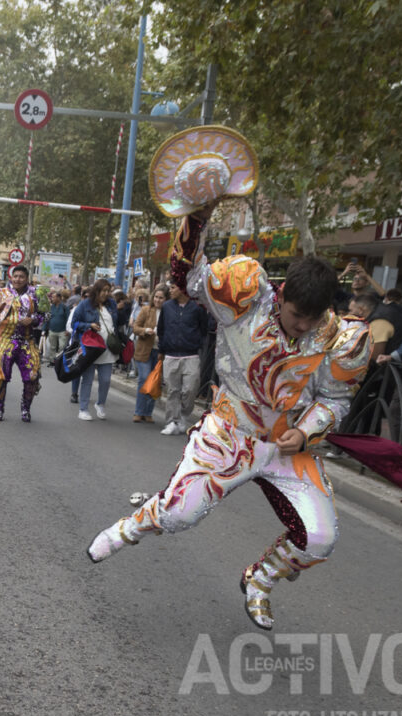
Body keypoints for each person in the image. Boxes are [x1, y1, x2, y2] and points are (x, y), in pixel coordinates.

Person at [87, 202, 371, 630]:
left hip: (285, 447)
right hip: (229, 432)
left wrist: (306, 430)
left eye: (312, 320)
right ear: (283, 296)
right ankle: (134, 524)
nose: (302, 327)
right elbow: (188, 275)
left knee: (321, 538)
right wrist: (197, 218)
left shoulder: (339, 337)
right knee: (181, 515)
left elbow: (336, 399)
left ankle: (260, 579)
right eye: (296, 316)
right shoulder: (246, 299)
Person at [0, 264, 42, 421]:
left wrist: (34, 320)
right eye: (15, 276)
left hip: (27, 341)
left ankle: (25, 409)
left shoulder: (36, 295)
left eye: (21, 277)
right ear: (11, 277)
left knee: (32, 376)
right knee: (0, 376)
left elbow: (45, 315)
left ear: (27, 279)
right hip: (5, 339)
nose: (18, 279)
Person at [156, 277, 210, 434]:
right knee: (173, 390)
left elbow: (203, 328)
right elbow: (161, 329)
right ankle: (172, 421)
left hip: (191, 355)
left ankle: (184, 416)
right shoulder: (167, 307)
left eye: (173, 287)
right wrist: (162, 348)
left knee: (190, 389)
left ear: (182, 289)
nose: (170, 291)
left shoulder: (197, 307)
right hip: (171, 355)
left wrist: (195, 342)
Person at [70, 278, 118, 421]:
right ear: (96, 291)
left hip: (107, 350)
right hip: (90, 348)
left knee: (106, 380)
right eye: (103, 290)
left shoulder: (111, 304)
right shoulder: (85, 305)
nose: (106, 294)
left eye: (108, 291)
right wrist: (89, 325)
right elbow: (74, 323)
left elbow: (116, 322)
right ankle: (83, 409)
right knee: (88, 379)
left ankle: (100, 404)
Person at [131, 286, 166, 423]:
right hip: (145, 349)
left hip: (159, 352)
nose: (158, 300)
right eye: (156, 297)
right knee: (144, 378)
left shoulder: (167, 312)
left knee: (155, 381)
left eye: (161, 297)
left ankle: (148, 412)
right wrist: (145, 330)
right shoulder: (146, 310)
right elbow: (135, 327)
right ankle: (139, 411)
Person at [43, 290, 69, 362]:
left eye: (53, 297)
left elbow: (68, 319)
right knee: (52, 347)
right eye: (52, 297)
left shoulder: (65, 307)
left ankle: (60, 361)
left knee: (62, 346)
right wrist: (43, 329)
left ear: (59, 298)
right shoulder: (50, 307)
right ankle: (52, 361)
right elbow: (47, 318)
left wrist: (68, 329)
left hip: (62, 331)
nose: (52, 299)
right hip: (52, 330)